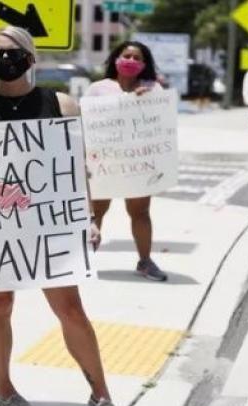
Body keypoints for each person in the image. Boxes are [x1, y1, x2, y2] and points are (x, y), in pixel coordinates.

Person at [0, 26, 121, 406]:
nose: (4, 59)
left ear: (31, 57)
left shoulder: (61, 104)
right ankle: (4, 389)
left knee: (70, 308)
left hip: (51, 223)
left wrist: (90, 217)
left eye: (12, 51)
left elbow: (75, 167)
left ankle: (101, 392)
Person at [83, 41, 168, 282]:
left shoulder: (153, 89)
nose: (130, 60)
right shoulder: (98, 89)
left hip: (137, 163)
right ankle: (85, 261)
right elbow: (86, 120)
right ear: (116, 59)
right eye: (126, 55)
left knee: (140, 212)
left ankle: (145, 261)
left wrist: (146, 101)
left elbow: (160, 120)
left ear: (144, 64)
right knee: (96, 211)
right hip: (103, 162)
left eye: (136, 57)